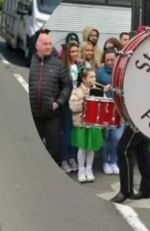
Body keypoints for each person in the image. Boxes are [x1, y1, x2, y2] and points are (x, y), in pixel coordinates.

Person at [29, 30, 72, 167]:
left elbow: (67, 86)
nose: (48, 46)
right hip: (33, 115)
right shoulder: (31, 62)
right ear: (37, 46)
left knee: (53, 149)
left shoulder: (58, 65)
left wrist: (58, 102)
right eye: (45, 44)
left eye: (50, 44)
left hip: (52, 115)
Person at [70, 68, 104, 183]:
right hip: (82, 123)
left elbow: (103, 107)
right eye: (91, 77)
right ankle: (81, 170)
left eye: (94, 77)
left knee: (91, 148)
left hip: (93, 123)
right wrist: (85, 101)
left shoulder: (98, 91)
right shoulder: (77, 91)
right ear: (84, 79)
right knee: (82, 148)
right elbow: (72, 106)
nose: (94, 79)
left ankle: (89, 169)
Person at [113, 115, 150, 204]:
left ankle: (126, 190)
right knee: (141, 148)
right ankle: (148, 189)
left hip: (140, 116)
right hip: (146, 116)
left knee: (124, 149)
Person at [96, 49, 122, 175]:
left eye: (112, 60)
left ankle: (113, 161)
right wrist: (103, 91)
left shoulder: (122, 71)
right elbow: (93, 90)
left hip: (119, 108)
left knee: (116, 137)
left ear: (117, 59)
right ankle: (105, 161)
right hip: (105, 108)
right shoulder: (99, 72)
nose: (110, 62)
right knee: (106, 137)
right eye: (107, 60)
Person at [59, 42, 82, 173]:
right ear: (67, 53)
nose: (75, 54)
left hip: (77, 102)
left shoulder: (79, 66)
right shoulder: (62, 67)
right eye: (72, 51)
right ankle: (64, 159)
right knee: (66, 131)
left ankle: (73, 157)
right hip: (66, 103)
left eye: (76, 51)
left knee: (75, 132)